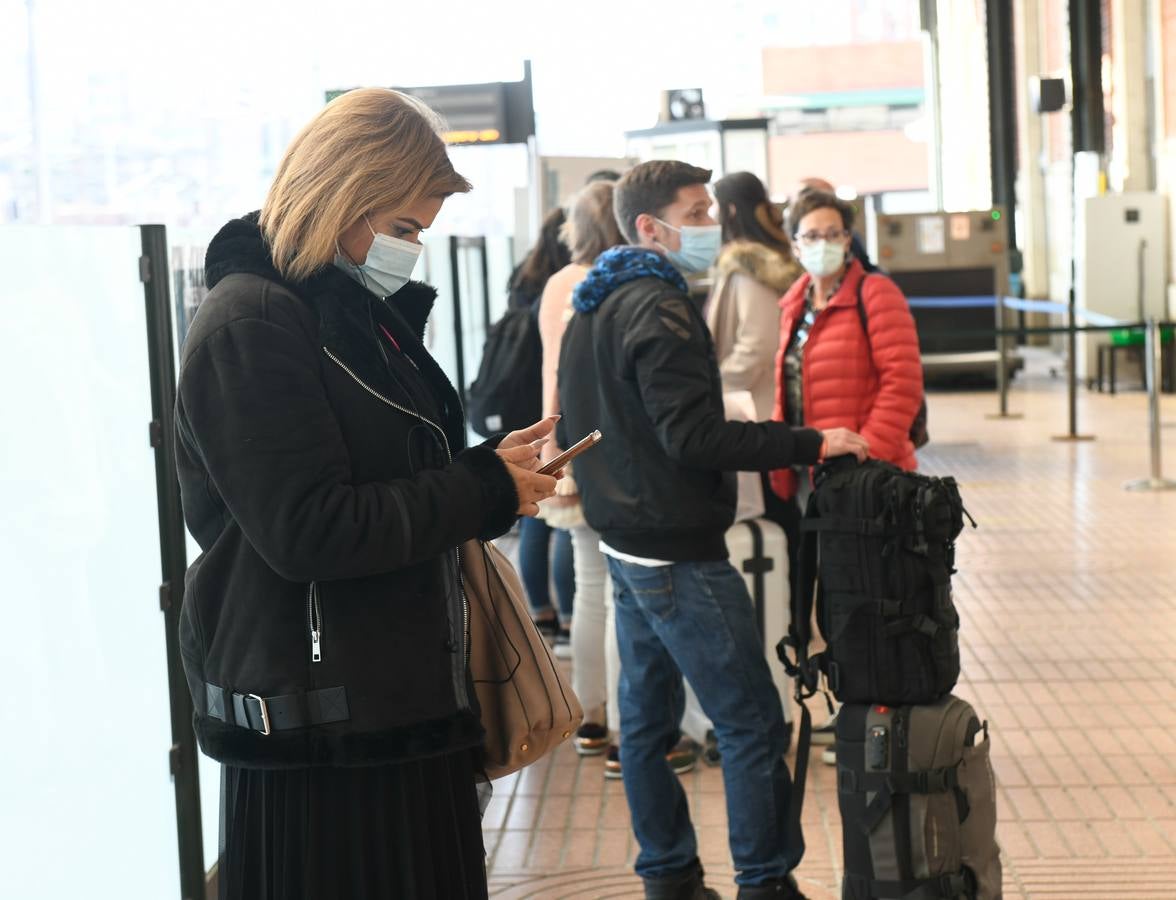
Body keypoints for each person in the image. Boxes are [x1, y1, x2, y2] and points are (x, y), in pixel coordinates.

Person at [174, 88, 560, 900]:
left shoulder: (351, 319)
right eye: (406, 227)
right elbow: (308, 529)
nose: (414, 250)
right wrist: (481, 487)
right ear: (343, 196)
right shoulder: (252, 324)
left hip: (393, 699)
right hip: (318, 730)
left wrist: (492, 470)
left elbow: (391, 475)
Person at [559, 159, 868, 900]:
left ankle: (667, 874)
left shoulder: (593, 303)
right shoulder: (658, 309)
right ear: (648, 226)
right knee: (753, 721)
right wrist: (808, 440)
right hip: (675, 551)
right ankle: (766, 883)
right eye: (697, 213)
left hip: (626, 539)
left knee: (647, 722)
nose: (712, 226)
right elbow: (694, 439)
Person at [770, 189, 923, 763]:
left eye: (835, 233)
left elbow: (902, 384)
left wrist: (865, 460)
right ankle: (845, 708)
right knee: (830, 599)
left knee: (869, 597)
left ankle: (873, 713)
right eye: (812, 235)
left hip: (864, 483)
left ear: (850, 238)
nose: (825, 244)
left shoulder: (876, 295)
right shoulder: (794, 302)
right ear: (794, 243)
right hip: (814, 479)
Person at [708, 171, 802, 529]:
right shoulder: (765, 260)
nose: (710, 219)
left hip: (755, 408)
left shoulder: (749, 268)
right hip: (757, 405)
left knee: (774, 514)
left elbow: (758, 343)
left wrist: (717, 384)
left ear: (730, 210)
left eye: (711, 208)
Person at [506, 207, 577, 651]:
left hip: (519, 403)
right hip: (548, 407)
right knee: (564, 512)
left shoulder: (524, 277)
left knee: (535, 511)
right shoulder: (567, 285)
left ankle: (542, 613)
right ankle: (568, 617)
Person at [793, 177, 877, 272]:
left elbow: (868, 267)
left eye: (833, 235)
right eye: (812, 236)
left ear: (847, 242)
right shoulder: (783, 238)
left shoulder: (848, 236)